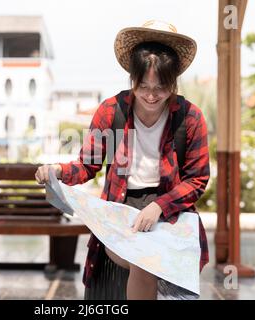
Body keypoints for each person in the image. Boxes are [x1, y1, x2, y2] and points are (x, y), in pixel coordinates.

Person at [35, 20, 210, 300]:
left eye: (161, 87)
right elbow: (87, 165)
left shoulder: (188, 117)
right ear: (132, 79)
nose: (151, 96)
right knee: (144, 260)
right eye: (144, 86)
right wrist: (56, 170)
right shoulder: (112, 112)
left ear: (173, 83)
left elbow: (197, 179)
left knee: (148, 261)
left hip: (171, 211)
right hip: (120, 208)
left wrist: (159, 207)